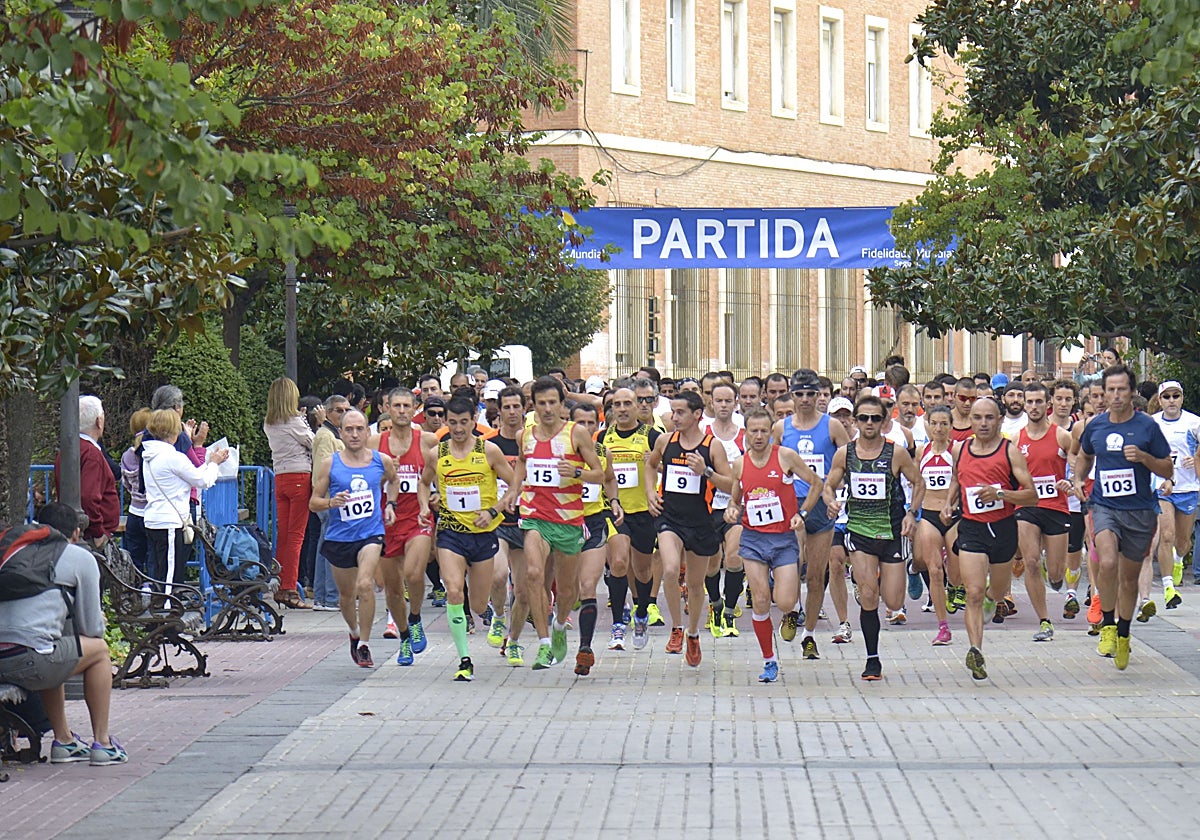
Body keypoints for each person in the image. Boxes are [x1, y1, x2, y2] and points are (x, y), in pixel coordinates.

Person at [0, 503, 125, 765]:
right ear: (76, 533)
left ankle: (65, 740)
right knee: (100, 651)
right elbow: (92, 629)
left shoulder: (14, 551)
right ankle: (103, 744)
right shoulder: (79, 557)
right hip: (30, 661)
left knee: (53, 647)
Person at [1074, 364, 1173, 670]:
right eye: (1110, 390)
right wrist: (1078, 479)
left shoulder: (1147, 427)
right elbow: (1085, 455)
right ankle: (1107, 624)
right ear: (1103, 393)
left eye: (1121, 390)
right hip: (1104, 507)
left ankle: (1124, 634)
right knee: (1106, 562)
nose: (1115, 395)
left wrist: (1144, 458)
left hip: (1140, 511)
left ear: (1131, 392)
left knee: (1129, 579)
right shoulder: (1096, 426)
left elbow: (1167, 468)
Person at [824, 395, 925, 681]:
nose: (869, 423)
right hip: (860, 531)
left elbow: (919, 482)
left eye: (875, 418)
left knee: (893, 600)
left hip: (892, 532)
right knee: (869, 596)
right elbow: (829, 485)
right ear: (855, 421)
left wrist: (911, 513)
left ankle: (882, 577)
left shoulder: (896, 453)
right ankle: (872, 660)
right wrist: (831, 502)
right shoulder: (845, 453)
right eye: (864, 418)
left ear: (884, 421)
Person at [505, 378, 603, 670]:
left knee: (568, 590)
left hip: (569, 519)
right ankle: (544, 643)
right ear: (533, 406)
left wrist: (576, 472)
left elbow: (599, 474)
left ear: (562, 405)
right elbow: (522, 462)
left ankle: (559, 624)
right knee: (534, 574)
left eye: (552, 403)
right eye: (541, 403)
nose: (547, 409)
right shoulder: (526, 435)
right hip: (534, 515)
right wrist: (513, 490)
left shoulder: (576, 433)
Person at [419, 397, 516, 680]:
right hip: (450, 533)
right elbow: (423, 483)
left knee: (477, 604)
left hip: (483, 534)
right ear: (446, 422)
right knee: (453, 590)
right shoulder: (438, 453)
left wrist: (494, 510)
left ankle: (494, 614)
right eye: (453, 422)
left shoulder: (489, 451)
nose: (459, 428)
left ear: (475, 420)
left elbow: (515, 485)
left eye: (464, 422)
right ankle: (464, 659)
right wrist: (425, 505)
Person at [943, 397, 1038, 680]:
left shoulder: (1010, 451)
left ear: (999, 420)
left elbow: (1031, 495)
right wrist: (948, 503)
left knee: (996, 593)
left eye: (989, 417)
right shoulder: (960, 449)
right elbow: (956, 479)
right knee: (972, 592)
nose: (983, 423)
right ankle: (976, 650)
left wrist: (1000, 494)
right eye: (977, 417)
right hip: (971, 528)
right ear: (969, 420)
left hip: (1003, 529)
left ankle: (990, 598)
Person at [724, 409, 821, 682]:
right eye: (753, 431)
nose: (758, 436)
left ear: (771, 432)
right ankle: (769, 660)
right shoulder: (739, 464)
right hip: (753, 539)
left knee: (786, 600)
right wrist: (731, 510)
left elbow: (816, 483)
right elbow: (735, 499)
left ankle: (789, 608)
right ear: (746, 433)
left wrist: (803, 513)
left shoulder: (785, 456)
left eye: (763, 431)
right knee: (761, 601)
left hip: (783, 539)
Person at [647, 389, 734, 666]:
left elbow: (731, 485)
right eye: (673, 412)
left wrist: (706, 471)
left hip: (700, 521)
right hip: (669, 518)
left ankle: (693, 633)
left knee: (696, 585)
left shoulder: (712, 446)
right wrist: (650, 493)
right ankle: (676, 627)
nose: (674, 417)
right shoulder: (665, 441)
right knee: (671, 569)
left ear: (697, 414)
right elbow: (650, 466)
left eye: (680, 412)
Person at [310, 409, 400, 670]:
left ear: (367, 432)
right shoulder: (331, 464)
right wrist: (331, 502)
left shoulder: (381, 460)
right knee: (347, 596)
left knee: (364, 585)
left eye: (360, 429)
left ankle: (365, 644)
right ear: (340, 433)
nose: (354, 434)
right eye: (349, 429)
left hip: (371, 533)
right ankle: (353, 631)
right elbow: (313, 502)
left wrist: (390, 504)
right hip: (339, 537)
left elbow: (393, 481)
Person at [774, 369, 851, 661]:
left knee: (817, 576)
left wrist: (836, 487)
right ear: (792, 395)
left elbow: (849, 462)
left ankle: (809, 635)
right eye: (799, 394)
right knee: (794, 564)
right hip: (791, 503)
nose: (805, 399)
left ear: (819, 395)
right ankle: (791, 609)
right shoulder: (781, 429)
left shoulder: (832, 426)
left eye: (810, 394)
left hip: (821, 504)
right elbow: (769, 464)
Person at [370, 388, 435, 665]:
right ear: (387, 407)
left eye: (406, 406)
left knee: (414, 573)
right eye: (396, 405)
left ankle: (416, 616)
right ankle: (405, 636)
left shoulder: (427, 440)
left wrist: (437, 496)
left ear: (414, 407)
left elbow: (441, 473)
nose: (401, 411)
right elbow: (365, 480)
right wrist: (387, 474)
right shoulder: (375, 443)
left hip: (418, 517)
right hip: (386, 521)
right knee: (393, 589)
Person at [599, 384, 662, 651]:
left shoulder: (652, 436)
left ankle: (642, 613)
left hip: (643, 512)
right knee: (619, 562)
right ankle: (617, 626)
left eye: (628, 404)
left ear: (638, 407)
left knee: (643, 571)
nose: (622, 409)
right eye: (617, 404)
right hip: (613, 510)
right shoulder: (602, 438)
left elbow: (673, 466)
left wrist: (656, 463)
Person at [1013, 382, 1075, 642]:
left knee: (1057, 572)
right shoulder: (1016, 439)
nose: (1034, 406)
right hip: (1027, 506)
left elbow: (1077, 464)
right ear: (1024, 405)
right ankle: (1044, 620)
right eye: (1030, 402)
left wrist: (1070, 482)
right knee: (1031, 562)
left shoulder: (1061, 436)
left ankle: (1057, 578)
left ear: (1047, 404)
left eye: (1039, 401)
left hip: (1056, 506)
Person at [142, 409, 228, 592]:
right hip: (170, 523)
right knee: (171, 578)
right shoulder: (173, 457)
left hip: (153, 519)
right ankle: (168, 606)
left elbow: (193, 475)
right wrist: (214, 463)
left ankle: (162, 603)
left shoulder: (149, 456)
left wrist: (210, 463)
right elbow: (202, 481)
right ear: (174, 431)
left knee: (160, 573)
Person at [568, 402, 622, 675]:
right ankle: (555, 626)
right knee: (567, 592)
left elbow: (609, 479)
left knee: (589, 585)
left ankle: (585, 648)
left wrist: (614, 501)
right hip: (563, 523)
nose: (588, 428)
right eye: (582, 423)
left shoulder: (602, 452)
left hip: (594, 522)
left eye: (592, 423)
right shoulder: (560, 452)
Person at [263, 377, 315, 609]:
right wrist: (307, 421)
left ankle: (282, 582)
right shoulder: (295, 421)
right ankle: (290, 588)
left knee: (283, 534)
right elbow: (313, 442)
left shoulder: (269, 422)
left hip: (280, 477)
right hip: (299, 476)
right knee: (296, 535)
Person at [914, 405, 958, 645]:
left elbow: (959, 479)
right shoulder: (922, 451)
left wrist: (950, 503)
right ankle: (943, 627)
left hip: (953, 515)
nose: (939, 429)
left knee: (957, 574)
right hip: (929, 515)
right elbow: (917, 483)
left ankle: (956, 588)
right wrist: (912, 512)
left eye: (944, 424)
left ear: (951, 426)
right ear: (928, 425)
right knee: (934, 570)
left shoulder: (957, 449)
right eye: (934, 424)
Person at [1151, 380, 1200, 593]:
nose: (1171, 401)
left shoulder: (1194, 422)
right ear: (1160, 400)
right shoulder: (1152, 423)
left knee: (1182, 542)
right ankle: (1168, 585)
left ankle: (1178, 559)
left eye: (1175, 396)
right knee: (1167, 535)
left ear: (1182, 399)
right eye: (1167, 397)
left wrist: (1195, 458)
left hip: (1188, 487)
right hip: (1162, 487)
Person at [55, 395, 120, 547]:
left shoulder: (68, 449)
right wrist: (98, 532)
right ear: (99, 421)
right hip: (90, 536)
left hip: (76, 530)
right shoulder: (92, 454)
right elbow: (88, 496)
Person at [310, 395, 348, 610]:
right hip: (328, 499)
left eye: (346, 410)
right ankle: (329, 597)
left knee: (325, 547)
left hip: (331, 498)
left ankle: (323, 597)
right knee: (331, 548)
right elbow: (323, 470)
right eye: (339, 410)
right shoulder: (326, 435)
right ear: (328, 412)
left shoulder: (332, 434)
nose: (344, 414)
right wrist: (327, 499)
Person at [119, 408, 152, 573]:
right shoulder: (152, 454)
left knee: (135, 562)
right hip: (152, 513)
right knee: (154, 562)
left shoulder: (127, 455)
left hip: (134, 513)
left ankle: (134, 587)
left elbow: (125, 483)